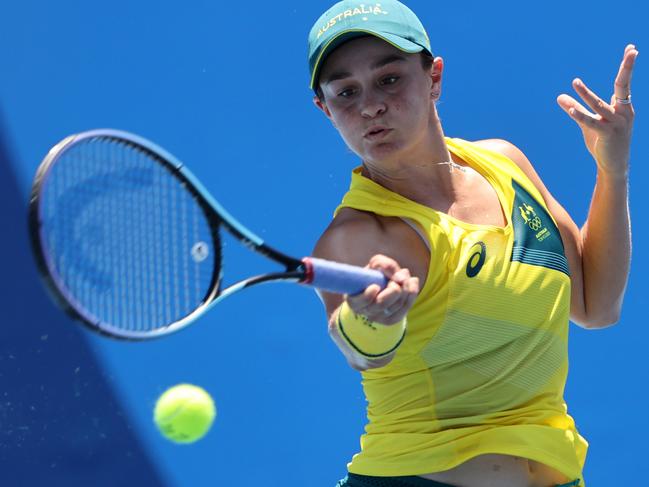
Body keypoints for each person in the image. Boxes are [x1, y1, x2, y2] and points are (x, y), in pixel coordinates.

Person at [307, 1, 637, 486]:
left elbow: (596, 304)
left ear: (434, 77)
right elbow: (361, 350)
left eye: (389, 79)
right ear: (325, 109)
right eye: (345, 92)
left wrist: (613, 169)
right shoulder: (359, 234)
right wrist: (372, 318)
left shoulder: (504, 164)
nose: (370, 106)